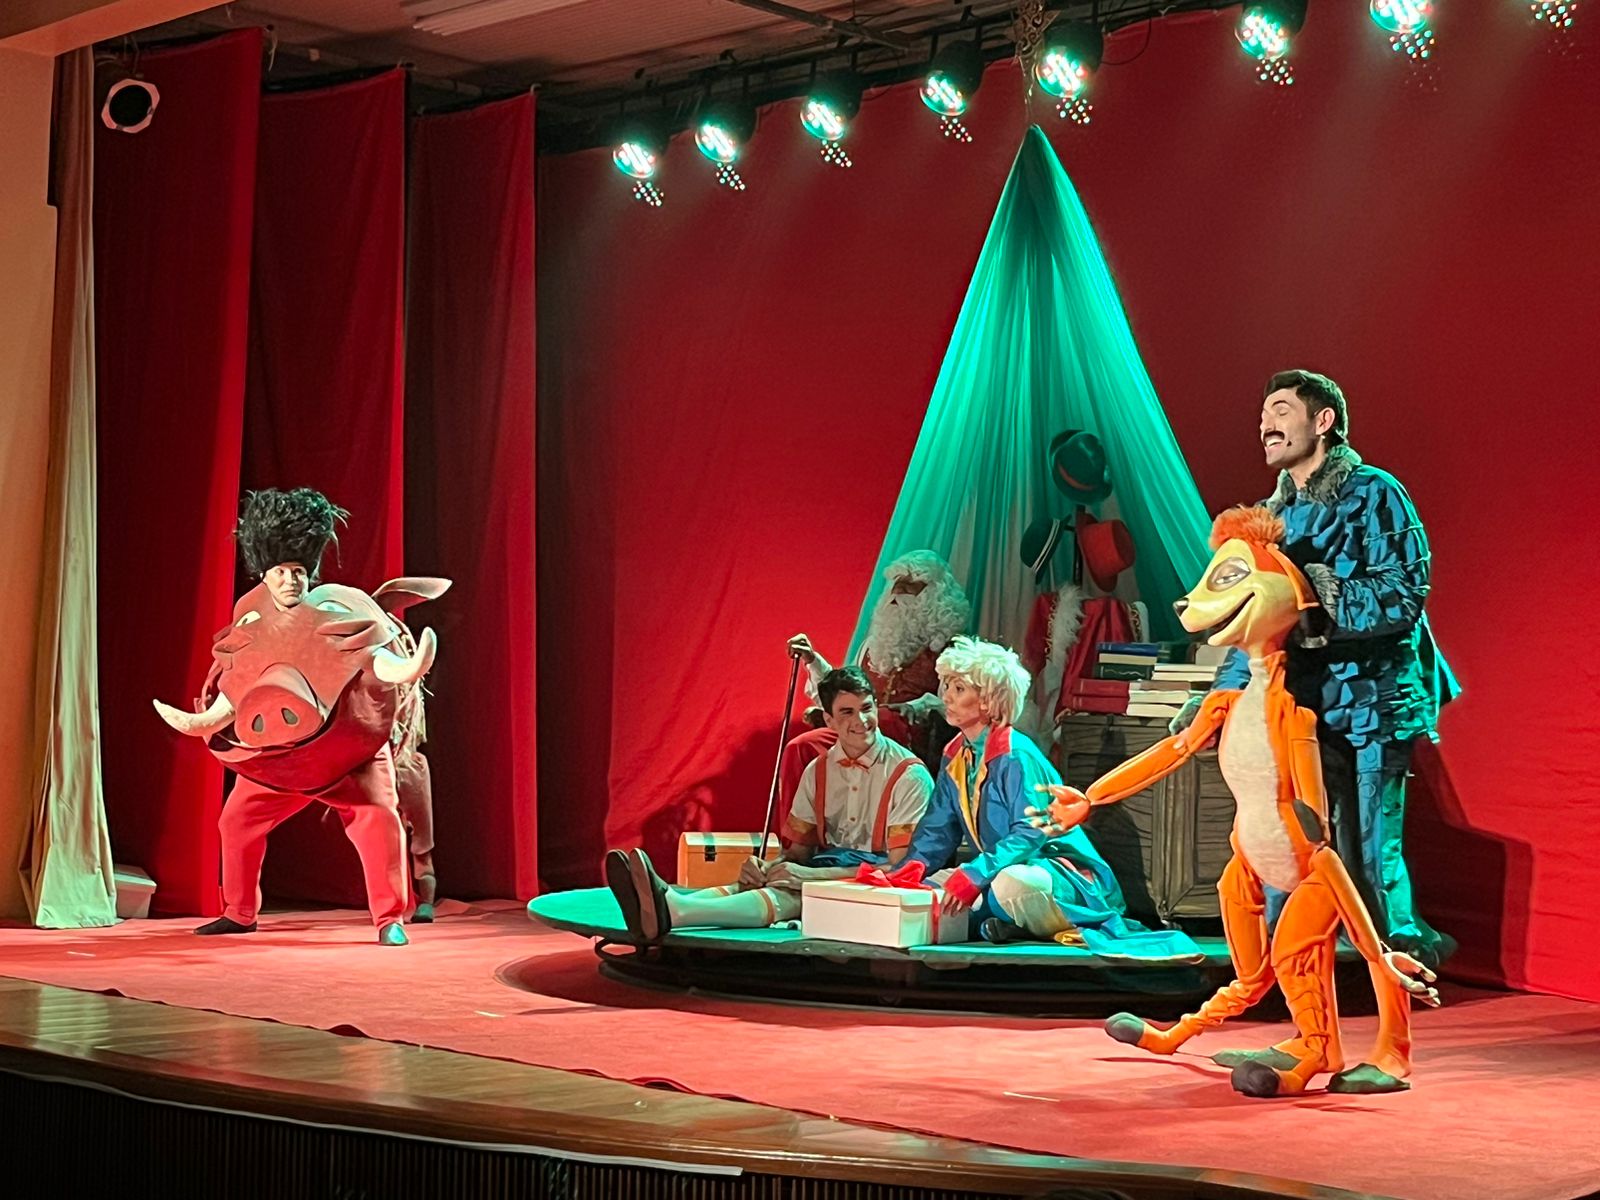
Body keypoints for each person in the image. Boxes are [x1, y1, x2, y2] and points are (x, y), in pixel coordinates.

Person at [1176, 370, 1458, 968]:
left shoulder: (1375, 493)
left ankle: (1396, 962)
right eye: (1263, 414)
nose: (1265, 424)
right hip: (1301, 702)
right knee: (1295, 834)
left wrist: (1319, 592)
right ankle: (1291, 965)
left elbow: (1404, 593)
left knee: (1370, 840)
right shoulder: (1268, 515)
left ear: (1322, 420)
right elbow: (1255, 623)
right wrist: (1220, 700)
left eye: (1280, 410)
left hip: (1373, 699)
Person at [897, 637, 1198, 959]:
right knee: (931, 888)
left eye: (958, 689)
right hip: (1001, 866)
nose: (946, 696)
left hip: (1056, 872)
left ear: (987, 700)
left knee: (1009, 884)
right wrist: (911, 868)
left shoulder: (1016, 755)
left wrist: (976, 874)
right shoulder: (955, 754)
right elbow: (938, 827)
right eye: (946, 686)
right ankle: (1004, 922)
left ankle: (994, 920)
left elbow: (1031, 832)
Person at [606, 667, 933, 941]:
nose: (861, 720)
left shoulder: (908, 775)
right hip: (829, 868)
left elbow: (901, 868)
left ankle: (674, 911)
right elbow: (800, 853)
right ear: (829, 721)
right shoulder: (817, 771)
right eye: (847, 712)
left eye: (867, 708)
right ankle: (664, 901)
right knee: (763, 882)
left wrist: (812, 877)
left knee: (792, 894)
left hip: (881, 881)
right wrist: (770, 866)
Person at [779, 550, 969, 811]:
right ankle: (795, 835)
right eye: (896, 584)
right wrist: (812, 660)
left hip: (908, 747)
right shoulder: (872, 646)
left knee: (885, 719)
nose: (898, 592)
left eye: (910, 586)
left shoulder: (952, 651)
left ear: (935, 597)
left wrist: (916, 708)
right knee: (801, 747)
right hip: (858, 733)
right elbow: (844, 693)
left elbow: (957, 709)